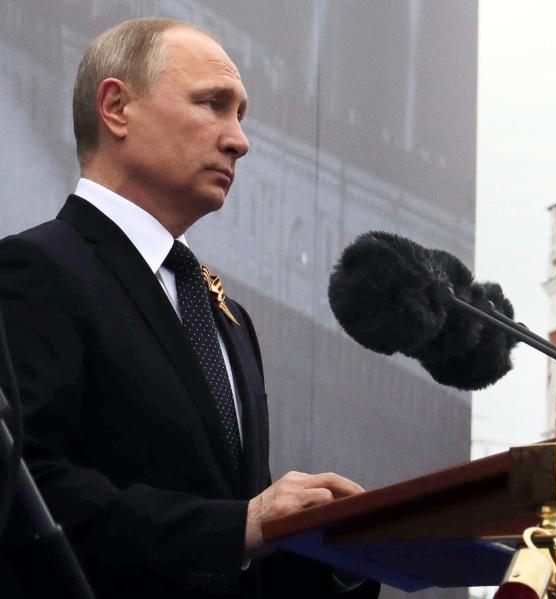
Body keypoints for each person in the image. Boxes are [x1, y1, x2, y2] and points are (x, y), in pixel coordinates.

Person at [0, 18, 379, 599]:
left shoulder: (226, 317)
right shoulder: (33, 269)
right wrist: (238, 527)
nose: (239, 140)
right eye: (213, 104)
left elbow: (239, 544)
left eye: (241, 115)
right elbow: (26, 487)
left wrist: (339, 555)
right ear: (116, 107)